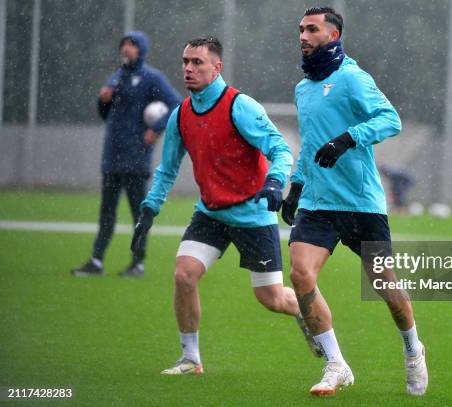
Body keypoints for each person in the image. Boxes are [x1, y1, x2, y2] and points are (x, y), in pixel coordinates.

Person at [130, 36, 322, 375]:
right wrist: (149, 209)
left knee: (272, 299)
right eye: (185, 62)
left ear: (216, 67)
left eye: (197, 62)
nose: (189, 68)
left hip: (252, 214)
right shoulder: (181, 115)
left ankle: (307, 316)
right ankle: (191, 359)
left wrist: (276, 181)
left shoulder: (239, 106)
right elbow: (167, 168)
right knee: (184, 275)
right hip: (210, 213)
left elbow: (279, 148)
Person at [281, 7, 428, 396]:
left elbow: (389, 119)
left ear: (332, 35)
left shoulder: (352, 78)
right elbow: (311, 145)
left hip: (362, 204)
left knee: (384, 284)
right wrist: (296, 188)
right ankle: (336, 363)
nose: (303, 35)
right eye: (300, 29)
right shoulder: (303, 88)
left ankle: (413, 348)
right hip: (317, 203)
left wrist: (347, 139)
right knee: (300, 276)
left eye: (311, 29)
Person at [71, 31, 182, 278]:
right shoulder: (117, 77)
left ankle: (137, 264)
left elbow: (177, 103)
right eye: (124, 45)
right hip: (112, 157)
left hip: (136, 159)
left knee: (139, 214)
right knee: (106, 213)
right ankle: (96, 261)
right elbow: (104, 114)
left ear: (141, 49)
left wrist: (157, 128)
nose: (126, 49)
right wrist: (103, 100)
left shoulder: (151, 78)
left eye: (132, 45)